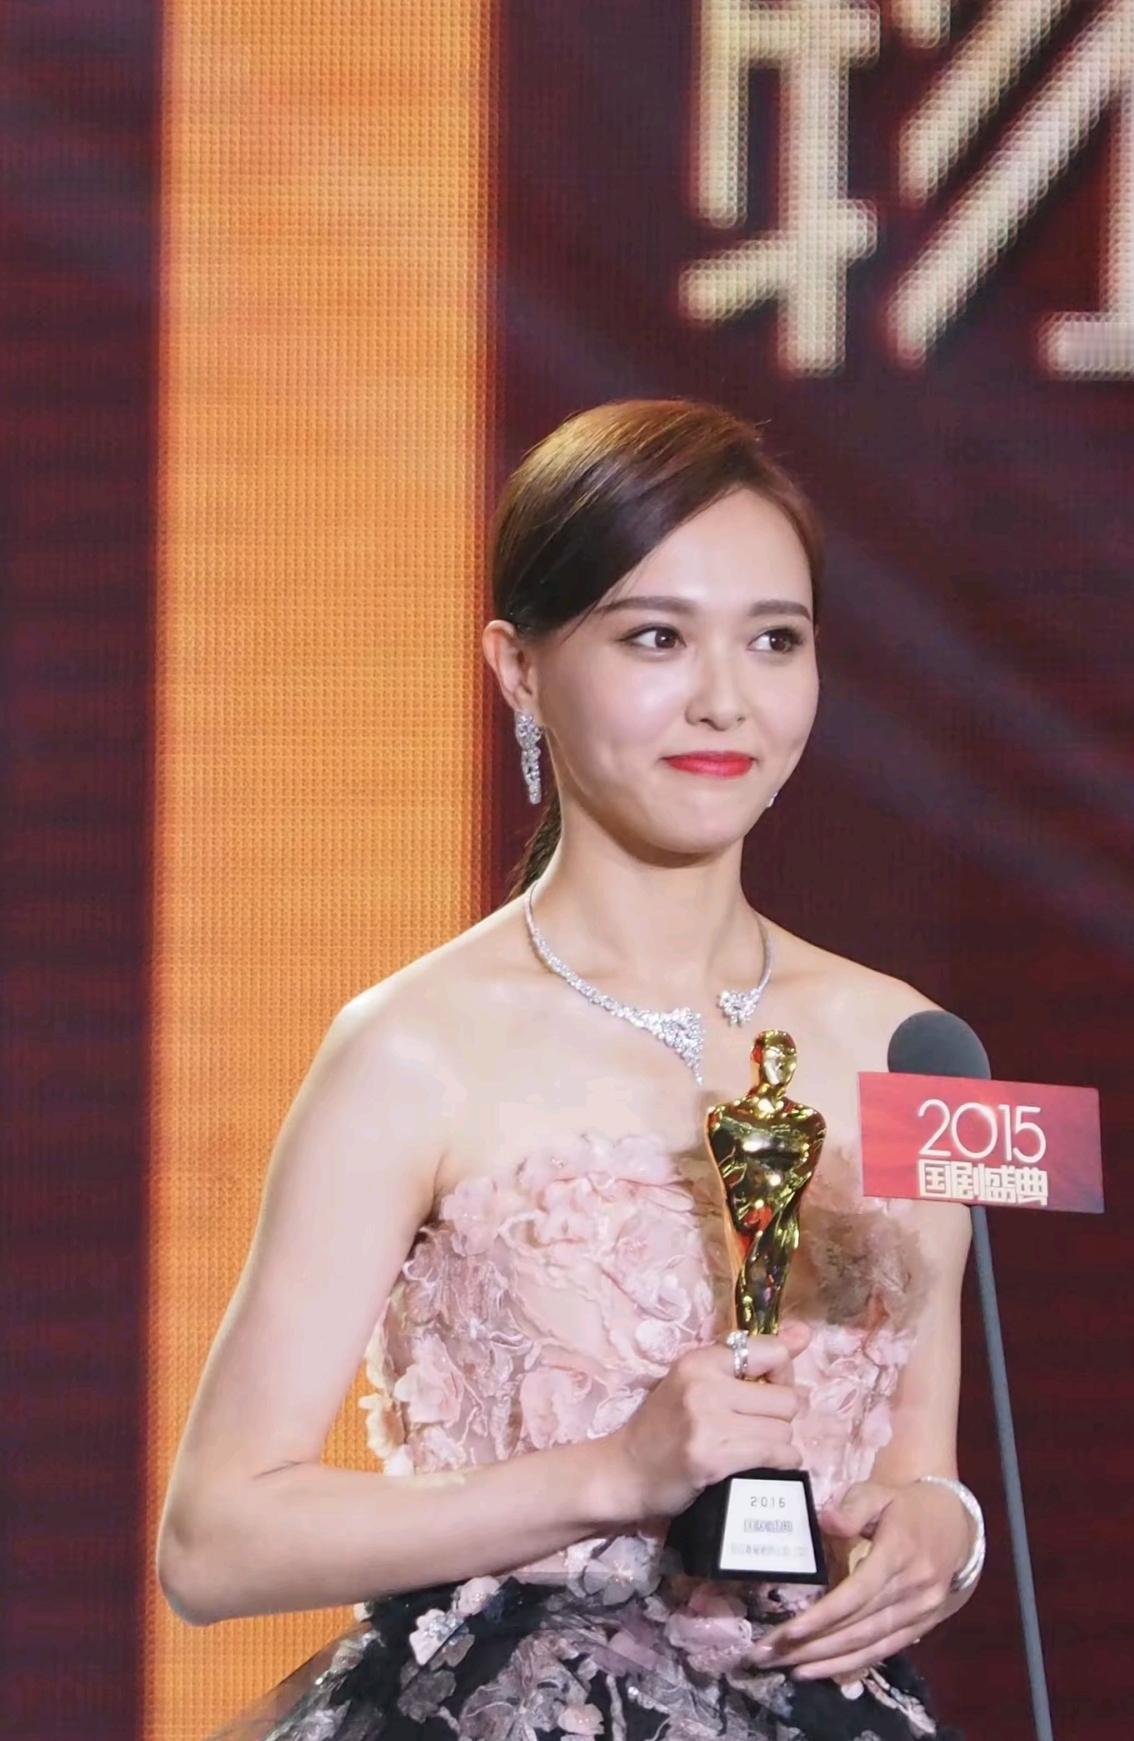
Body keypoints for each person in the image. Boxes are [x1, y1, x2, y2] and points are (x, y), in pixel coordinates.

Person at [157, 398, 983, 1741]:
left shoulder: (907, 1045)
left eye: (774, 639)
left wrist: (946, 1528)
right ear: (520, 669)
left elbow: (918, 1466)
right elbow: (213, 1539)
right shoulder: (416, 1047)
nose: (725, 698)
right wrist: (610, 1473)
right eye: (656, 637)